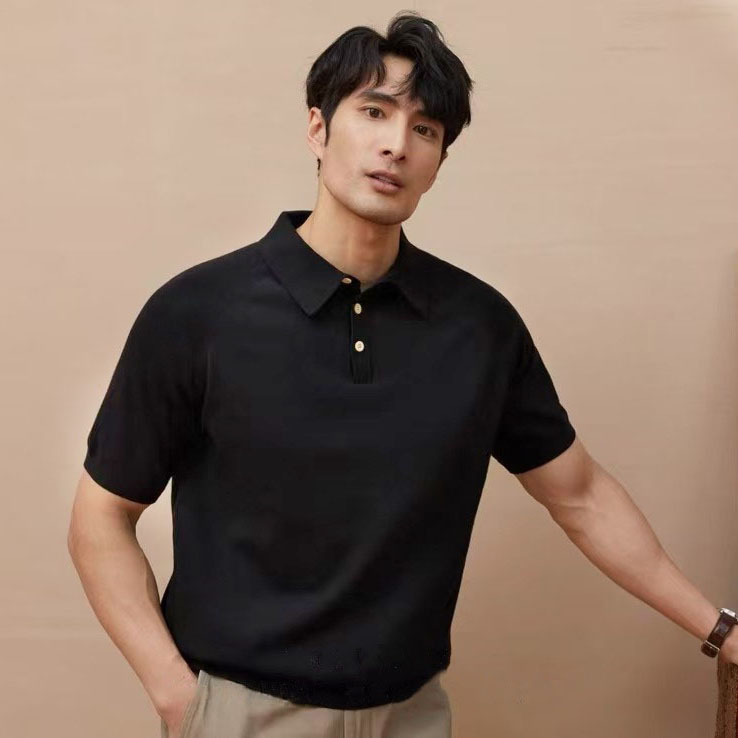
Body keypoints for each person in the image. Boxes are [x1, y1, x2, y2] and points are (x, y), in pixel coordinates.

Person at [67, 11, 737, 738]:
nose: (397, 144)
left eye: (425, 129)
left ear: (439, 162)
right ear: (318, 128)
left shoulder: (480, 326)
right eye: (374, 112)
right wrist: (181, 700)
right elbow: (101, 516)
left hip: (414, 714)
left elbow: (581, 495)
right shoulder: (197, 312)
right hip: (239, 713)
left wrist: (722, 629)